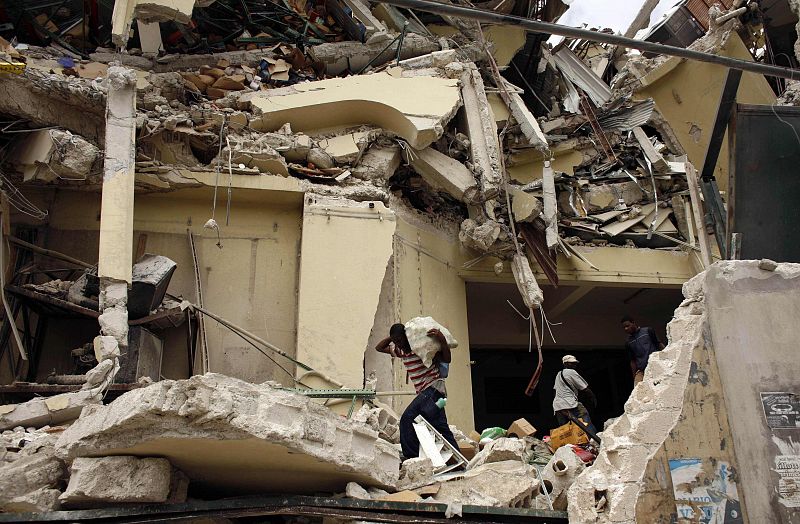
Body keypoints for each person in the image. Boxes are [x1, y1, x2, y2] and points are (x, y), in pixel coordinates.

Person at [375, 323, 458, 460]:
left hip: (433, 388)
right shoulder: (400, 351)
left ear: (406, 336)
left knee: (408, 418)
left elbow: (447, 359)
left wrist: (442, 339)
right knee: (440, 427)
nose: (399, 344)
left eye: (400, 340)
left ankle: (411, 458)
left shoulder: (421, 348)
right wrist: (392, 338)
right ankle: (459, 461)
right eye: (396, 342)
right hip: (432, 395)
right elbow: (379, 347)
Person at [553, 354, 597, 435]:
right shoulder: (571, 372)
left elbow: (555, 391)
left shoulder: (558, 374)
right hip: (570, 403)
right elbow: (584, 388)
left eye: (575, 363)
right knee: (585, 419)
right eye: (571, 363)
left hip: (558, 406)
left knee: (565, 431)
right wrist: (593, 398)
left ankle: (568, 446)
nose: (574, 365)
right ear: (565, 364)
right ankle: (592, 440)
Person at [622, 315, 665, 385]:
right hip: (642, 370)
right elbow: (632, 360)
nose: (626, 329)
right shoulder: (628, 342)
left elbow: (659, 344)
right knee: (638, 388)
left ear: (633, 322)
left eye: (627, 326)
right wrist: (634, 375)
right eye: (624, 327)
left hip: (656, 365)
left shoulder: (648, 331)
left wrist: (668, 357)